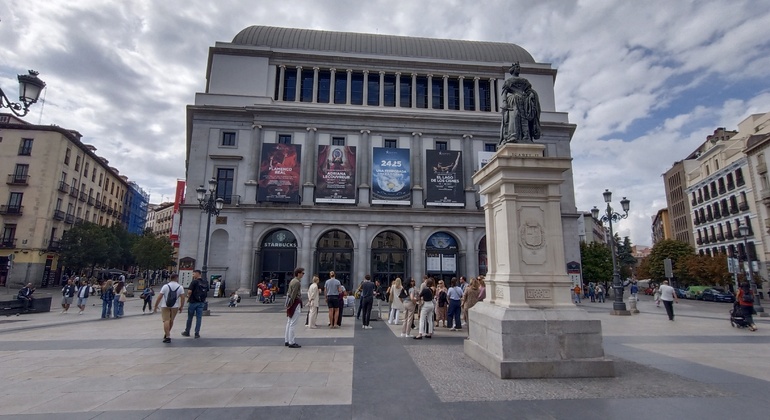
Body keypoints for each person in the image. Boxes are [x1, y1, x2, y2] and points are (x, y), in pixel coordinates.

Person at [499, 61, 541, 145]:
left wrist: (532, 94)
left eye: (519, 68)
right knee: (514, 117)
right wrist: (504, 102)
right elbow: (504, 93)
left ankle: (526, 136)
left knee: (524, 118)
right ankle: (513, 135)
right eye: (517, 67)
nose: (519, 69)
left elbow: (529, 90)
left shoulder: (524, 81)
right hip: (513, 100)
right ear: (513, 69)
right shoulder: (509, 81)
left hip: (524, 101)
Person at [153, 273, 185, 343]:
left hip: (165, 305)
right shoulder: (180, 287)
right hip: (175, 306)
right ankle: (167, 333)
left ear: (170, 278)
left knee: (166, 320)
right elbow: (183, 298)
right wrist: (181, 306)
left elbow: (160, 296)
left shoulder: (165, 286)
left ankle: (167, 336)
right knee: (171, 320)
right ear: (177, 278)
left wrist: (155, 306)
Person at [182, 270, 208, 339]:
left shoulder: (194, 282)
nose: (193, 275)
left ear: (197, 274)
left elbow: (190, 291)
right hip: (201, 302)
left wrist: (187, 296)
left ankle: (187, 331)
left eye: (194, 274)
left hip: (193, 301)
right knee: (199, 318)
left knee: (190, 317)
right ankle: (197, 333)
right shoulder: (205, 282)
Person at [285, 267, 304, 348]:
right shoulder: (297, 282)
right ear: (298, 273)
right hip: (295, 303)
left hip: (291, 303)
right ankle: (291, 342)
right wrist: (291, 304)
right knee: (293, 323)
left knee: (289, 322)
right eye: (302, 273)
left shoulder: (293, 281)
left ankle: (287, 340)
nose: (303, 275)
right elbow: (293, 294)